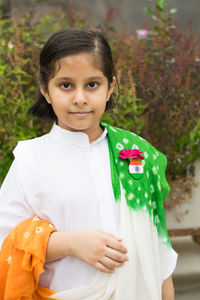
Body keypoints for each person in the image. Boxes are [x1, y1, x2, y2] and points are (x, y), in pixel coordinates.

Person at [0, 28, 177, 299]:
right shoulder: (30, 160)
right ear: (45, 90)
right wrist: (69, 243)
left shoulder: (136, 153)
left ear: (110, 87)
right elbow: (5, 244)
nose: (80, 98)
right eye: (66, 85)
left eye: (92, 85)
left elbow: (159, 248)